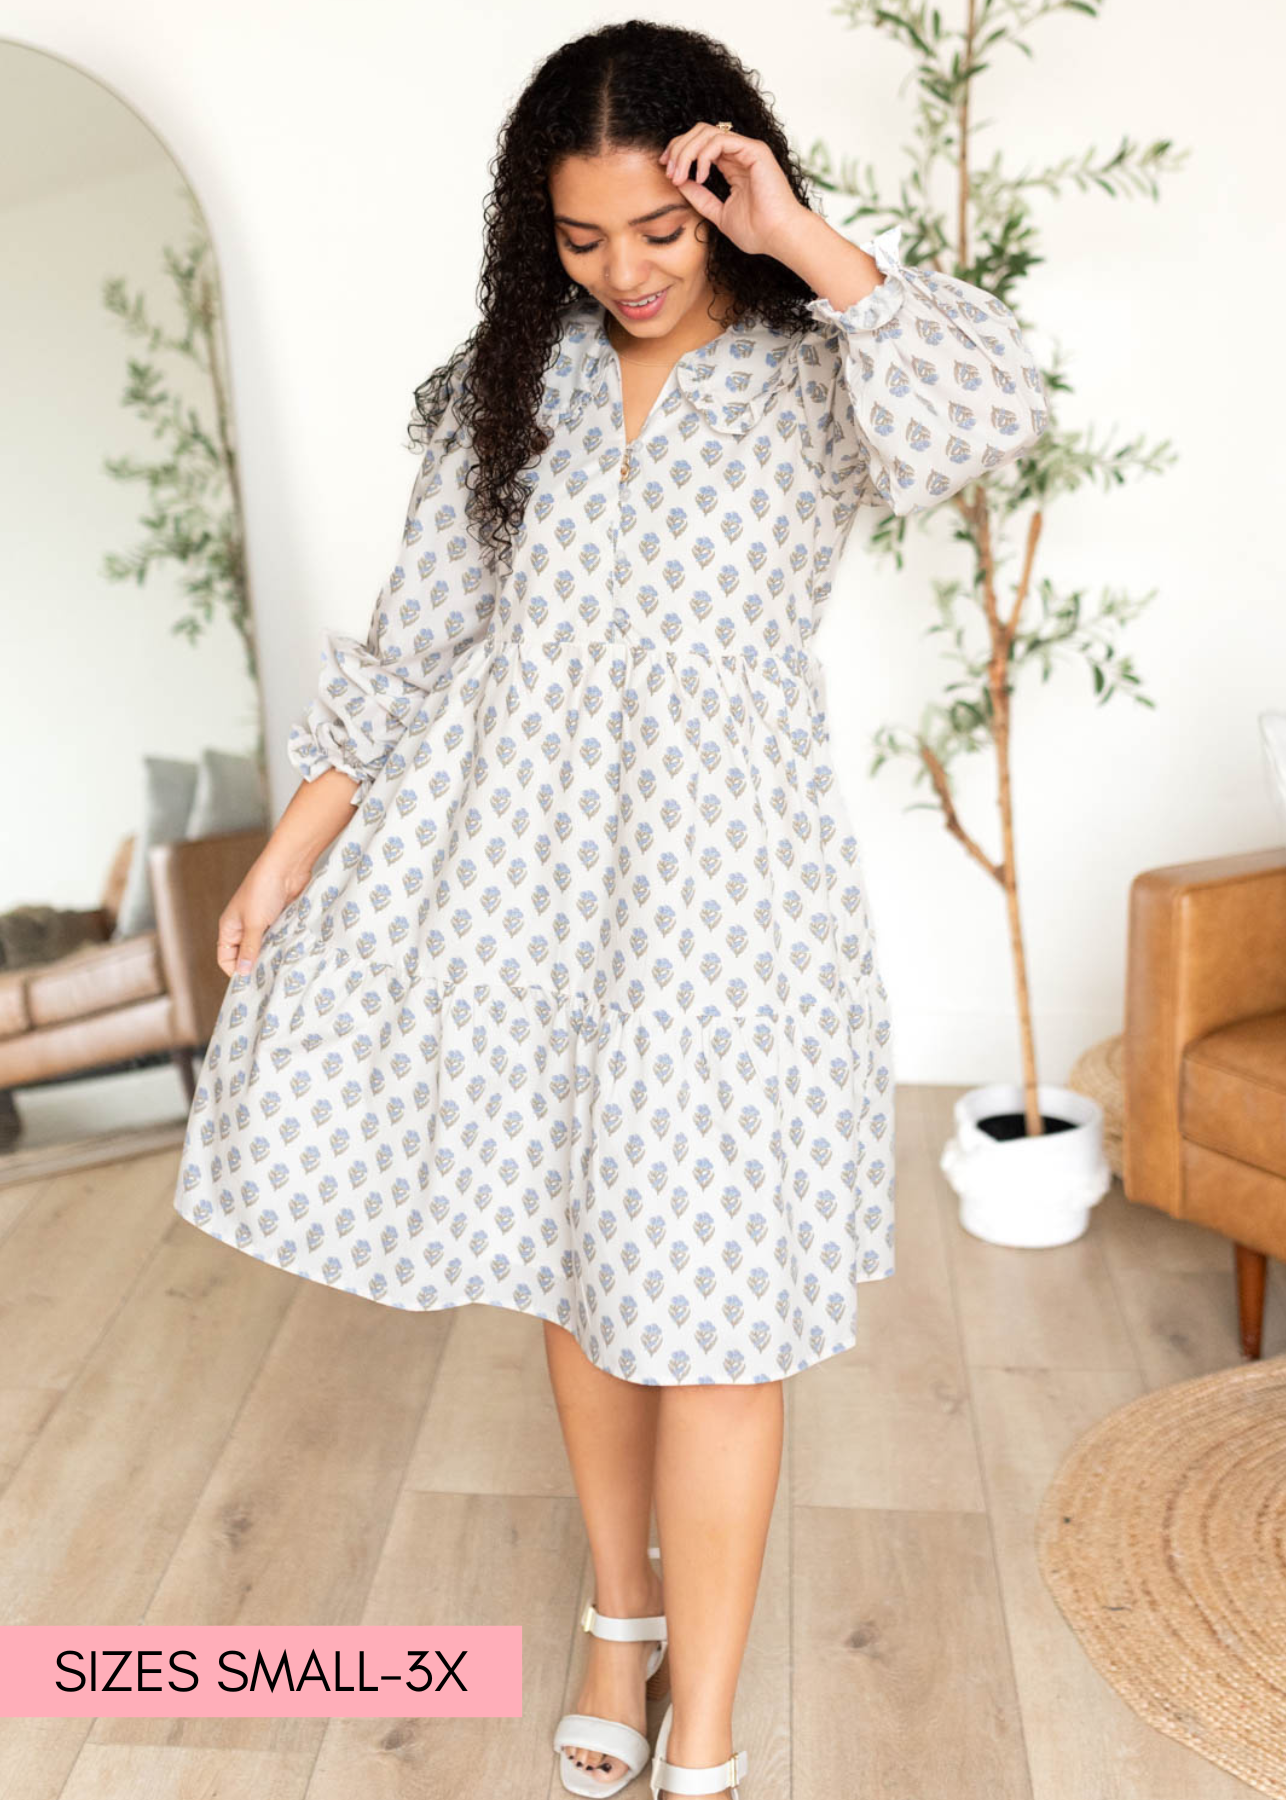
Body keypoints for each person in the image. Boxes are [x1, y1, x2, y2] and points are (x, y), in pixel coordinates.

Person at [173, 19, 1047, 1800]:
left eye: (659, 230)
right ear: (535, 236)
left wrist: (800, 237)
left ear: (718, 193)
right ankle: (612, 1623)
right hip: (527, 889)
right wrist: (289, 849)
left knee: (716, 1312)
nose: (627, 273)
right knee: (584, 1279)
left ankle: (705, 1727)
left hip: (727, 906)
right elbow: (414, 645)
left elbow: (995, 415)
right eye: (582, 242)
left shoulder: (824, 370)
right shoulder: (518, 387)